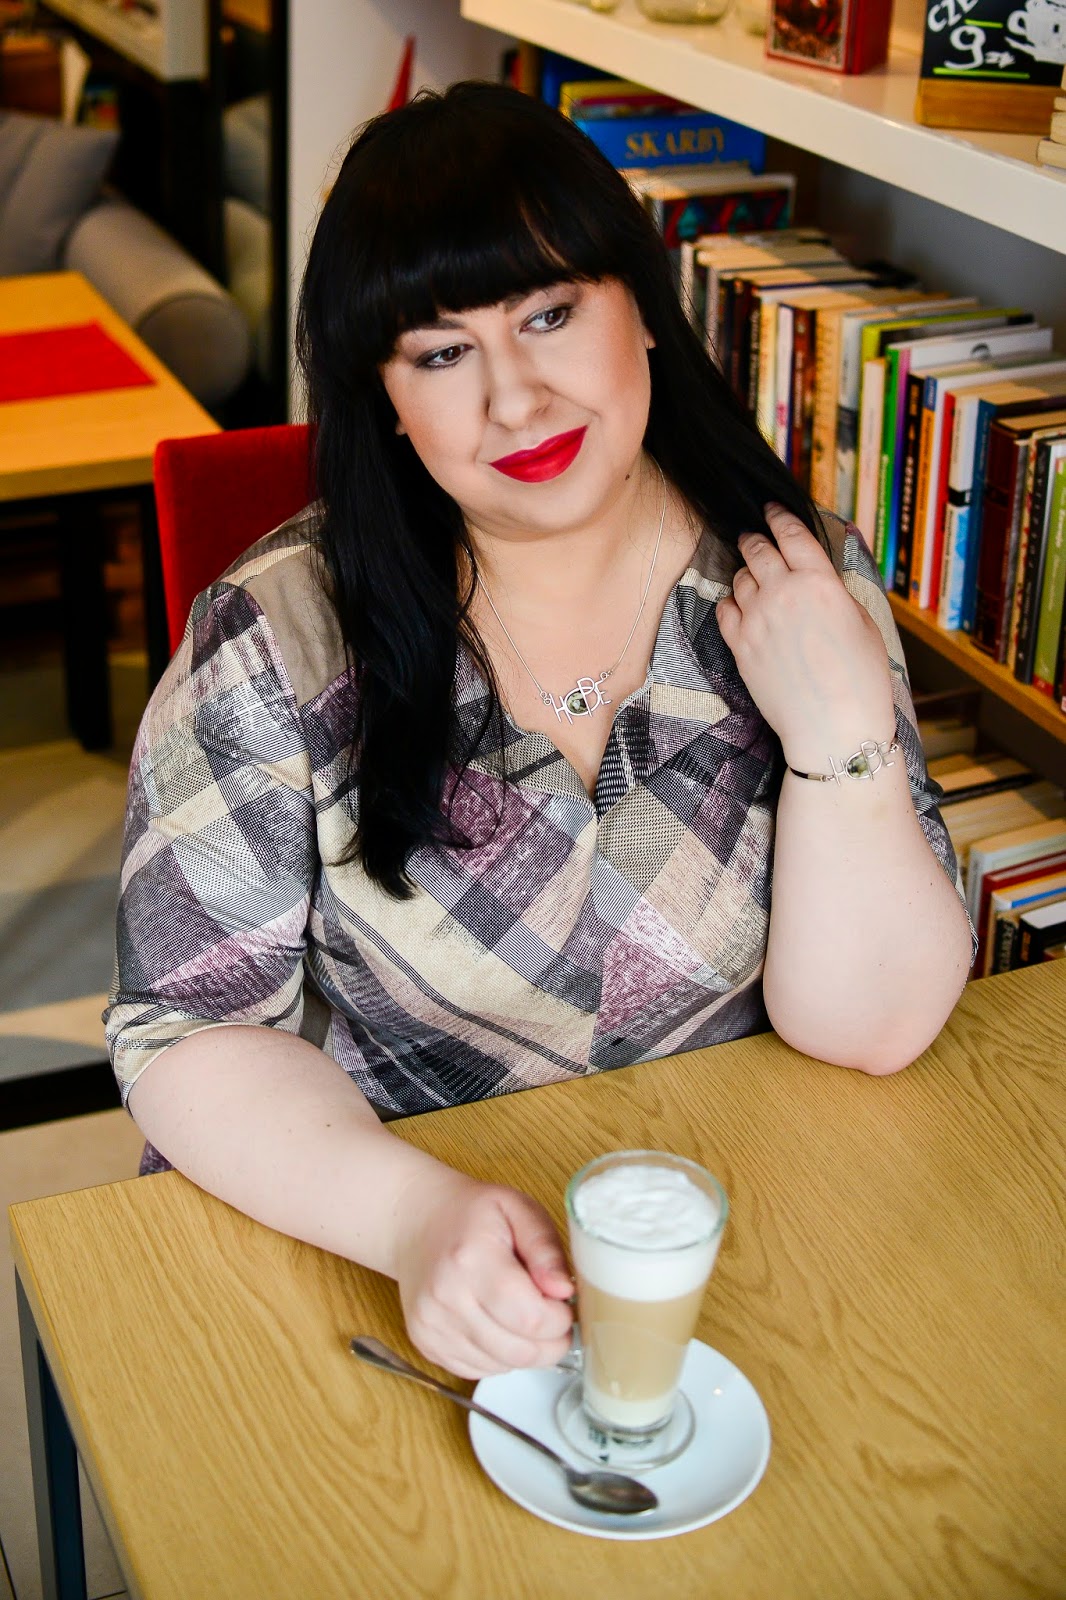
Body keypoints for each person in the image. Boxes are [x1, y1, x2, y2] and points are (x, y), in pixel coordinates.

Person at [105, 81, 975, 1381]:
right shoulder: (278, 643)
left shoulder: (794, 582)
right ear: (384, 398)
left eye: (549, 315)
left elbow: (873, 1029)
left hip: (741, 1246)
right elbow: (189, 1028)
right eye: (440, 353)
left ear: (644, 310)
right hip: (382, 1243)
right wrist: (410, 1221)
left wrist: (839, 734)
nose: (513, 400)